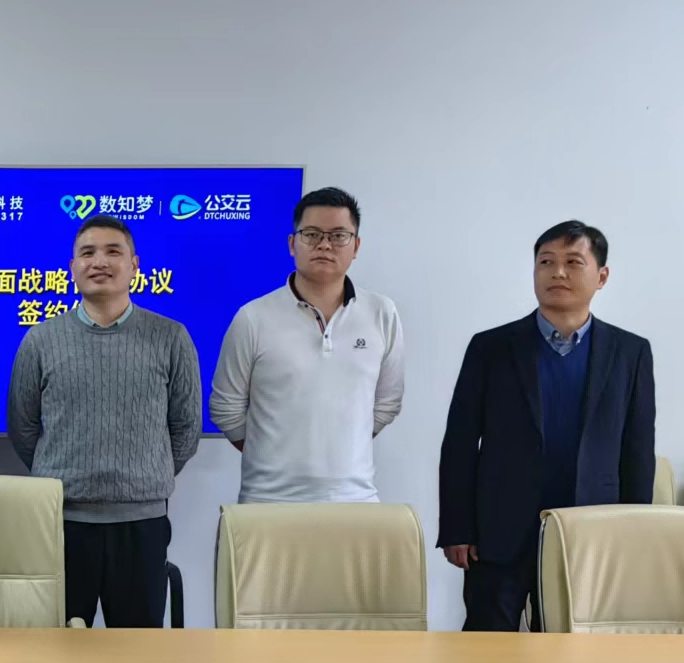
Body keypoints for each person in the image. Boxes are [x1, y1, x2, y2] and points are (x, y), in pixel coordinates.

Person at [439, 220, 654, 632]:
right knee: (487, 647)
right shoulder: (491, 347)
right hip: (497, 531)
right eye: (546, 262)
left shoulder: (630, 352)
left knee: (576, 650)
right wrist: (456, 528)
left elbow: (637, 451)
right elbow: (460, 443)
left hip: (590, 531)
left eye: (573, 262)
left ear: (601, 276)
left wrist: (634, 533)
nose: (557, 272)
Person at [8, 215, 200, 629]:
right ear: (72, 267)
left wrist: (145, 473)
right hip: (62, 523)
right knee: (59, 645)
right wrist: (62, 476)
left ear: (134, 265)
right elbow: (23, 427)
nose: (100, 261)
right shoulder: (40, 340)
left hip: (142, 525)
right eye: (87, 253)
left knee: (137, 651)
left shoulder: (171, 337)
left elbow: (186, 428)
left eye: (113, 251)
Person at [209, 187, 404, 503]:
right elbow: (226, 408)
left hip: (355, 501)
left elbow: (387, 403)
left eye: (339, 236)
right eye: (312, 234)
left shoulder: (382, 313)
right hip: (268, 501)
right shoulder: (253, 317)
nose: (325, 244)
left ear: (356, 246)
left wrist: (344, 451)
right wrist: (270, 455)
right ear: (292, 244)